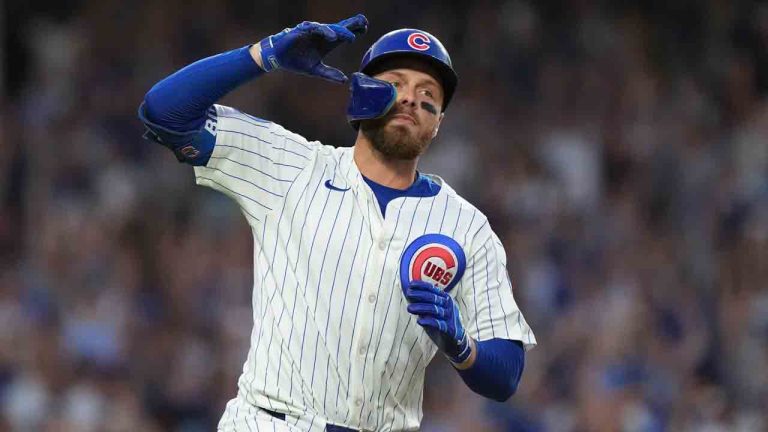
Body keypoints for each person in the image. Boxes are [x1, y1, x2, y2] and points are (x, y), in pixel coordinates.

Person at [138, 14, 536, 432]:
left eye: (427, 93)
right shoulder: (294, 165)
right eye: (396, 82)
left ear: (438, 122)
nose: (411, 99)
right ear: (362, 92)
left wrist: (462, 347)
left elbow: (507, 373)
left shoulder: (467, 227)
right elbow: (164, 111)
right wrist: (263, 55)